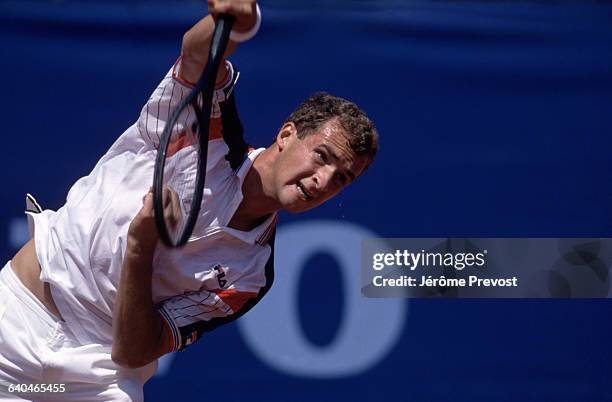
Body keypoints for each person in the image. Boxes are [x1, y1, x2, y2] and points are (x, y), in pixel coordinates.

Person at [0, 0, 378, 401]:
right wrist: (236, 26)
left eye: (342, 178)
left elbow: (134, 352)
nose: (324, 180)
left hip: (96, 379)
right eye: (323, 157)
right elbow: (197, 53)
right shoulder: (204, 130)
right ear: (286, 135)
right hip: (17, 319)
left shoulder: (251, 276)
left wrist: (140, 247)